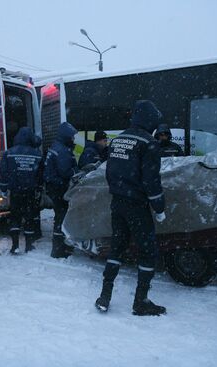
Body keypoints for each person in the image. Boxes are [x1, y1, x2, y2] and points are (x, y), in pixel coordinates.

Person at [95, 100, 167, 316]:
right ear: (150, 121)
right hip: (137, 205)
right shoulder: (149, 143)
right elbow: (151, 181)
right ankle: (140, 301)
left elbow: (110, 172)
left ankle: (105, 296)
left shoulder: (117, 141)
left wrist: (119, 191)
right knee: (148, 251)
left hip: (117, 202)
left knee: (117, 246)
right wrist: (159, 207)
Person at [0, 127, 42, 254]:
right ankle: (28, 245)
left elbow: (3, 172)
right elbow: (40, 174)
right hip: (30, 191)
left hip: (15, 191)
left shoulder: (9, 153)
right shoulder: (37, 154)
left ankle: (15, 245)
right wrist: (39, 187)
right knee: (29, 217)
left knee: (15, 217)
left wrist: (4, 188)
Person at [43, 122, 78, 258]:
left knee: (60, 215)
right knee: (61, 216)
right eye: (72, 137)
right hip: (58, 187)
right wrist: (76, 170)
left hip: (53, 186)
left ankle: (60, 246)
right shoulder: (62, 150)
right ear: (66, 136)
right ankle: (58, 249)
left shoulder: (56, 146)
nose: (74, 139)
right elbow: (65, 172)